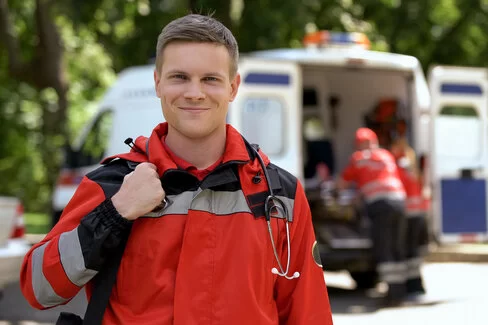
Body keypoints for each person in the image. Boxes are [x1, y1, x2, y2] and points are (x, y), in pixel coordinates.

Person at [19, 14, 333, 324]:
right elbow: (39, 290)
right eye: (179, 77)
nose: (194, 92)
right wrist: (115, 213)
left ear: (233, 87)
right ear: (158, 83)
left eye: (210, 79)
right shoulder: (113, 185)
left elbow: (310, 313)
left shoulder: (280, 195)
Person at [337, 127, 407, 306]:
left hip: (380, 206)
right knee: (396, 247)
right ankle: (399, 291)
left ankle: (392, 296)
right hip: (399, 203)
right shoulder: (385, 155)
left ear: (360, 144)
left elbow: (342, 184)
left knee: (383, 248)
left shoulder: (359, 158)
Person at [396, 154, 428, 298]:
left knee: (407, 250)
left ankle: (411, 286)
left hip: (408, 214)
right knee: (413, 251)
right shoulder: (413, 169)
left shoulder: (399, 170)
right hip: (419, 213)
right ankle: (416, 284)